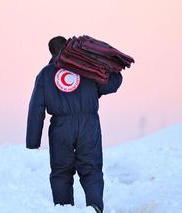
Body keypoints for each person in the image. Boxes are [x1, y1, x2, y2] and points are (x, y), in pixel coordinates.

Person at [26, 36, 122, 213]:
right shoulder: (86, 68)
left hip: (61, 127)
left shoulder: (45, 74)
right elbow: (110, 85)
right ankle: (94, 207)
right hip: (88, 124)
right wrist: (114, 69)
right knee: (91, 168)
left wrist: (33, 141)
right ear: (68, 46)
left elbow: (36, 108)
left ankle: (64, 209)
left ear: (51, 52)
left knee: (61, 171)